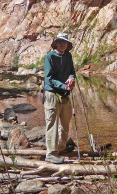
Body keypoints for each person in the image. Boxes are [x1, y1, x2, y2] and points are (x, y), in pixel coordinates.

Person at [43, 33, 76, 164]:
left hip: (65, 94)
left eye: (65, 42)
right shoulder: (49, 57)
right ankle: (51, 153)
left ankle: (61, 148)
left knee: (65, 122)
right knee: (52, 123)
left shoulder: (68, 55)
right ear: (56, 43)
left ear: (67, 44)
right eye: (60, 42)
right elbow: (49, 79)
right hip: (52, 94)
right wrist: (63, 86)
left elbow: (72, 71)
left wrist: (71, 78)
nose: (63, 44)